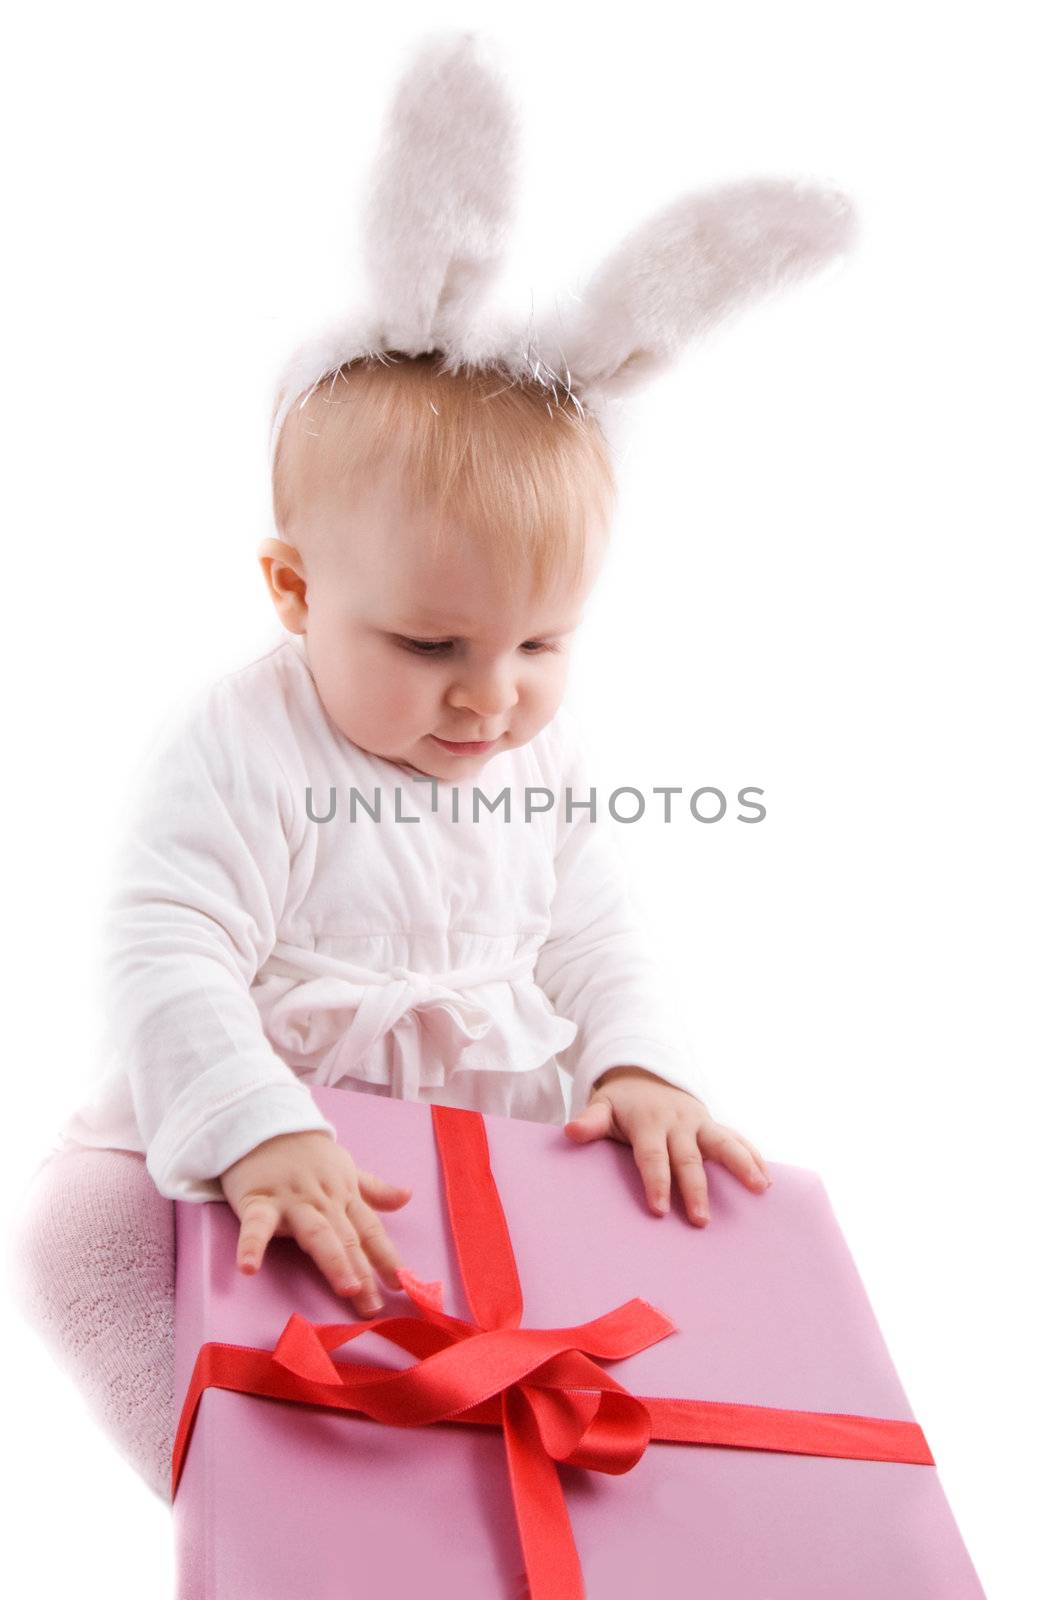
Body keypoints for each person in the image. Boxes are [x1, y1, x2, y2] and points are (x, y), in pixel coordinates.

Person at [9, 25, 852, 1509]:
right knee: (77, 1238)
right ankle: (242, 1496)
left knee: (510, 1305)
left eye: (540, 647)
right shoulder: (238, 741)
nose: (490, 701)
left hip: (464, 1130)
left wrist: (640, 1061)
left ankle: (449, 1507)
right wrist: (258, 1124)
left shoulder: (537, 751)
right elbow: (169, 941)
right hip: (260, 1101)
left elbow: (594, 934)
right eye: (428, 646)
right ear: (291, 591)